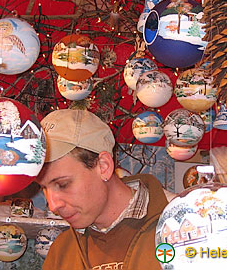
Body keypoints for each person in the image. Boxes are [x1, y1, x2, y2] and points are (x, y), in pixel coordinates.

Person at [36, 109, 175, 270]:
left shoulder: (184, 224)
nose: (53, 205)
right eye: (44, 188)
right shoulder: (61, 252)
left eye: (63, 184)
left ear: (103, 166)